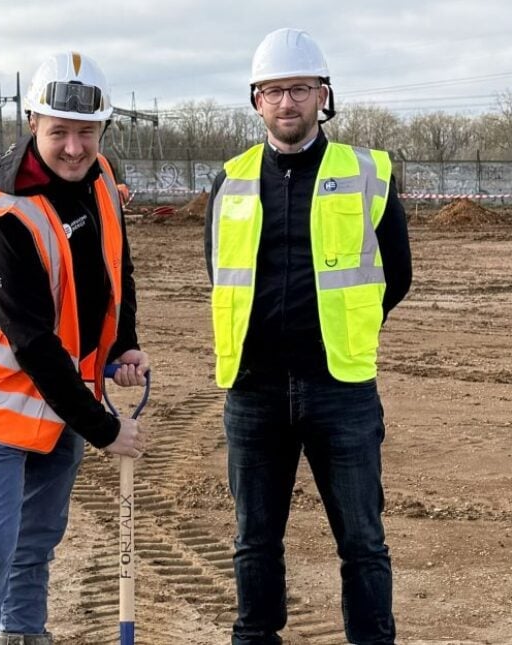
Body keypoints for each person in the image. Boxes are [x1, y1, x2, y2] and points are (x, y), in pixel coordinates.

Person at [205, 28, 411, 645]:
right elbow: (220, 273)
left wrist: (345, 329)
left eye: (299, 89)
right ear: (256, 101)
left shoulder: (368, 173)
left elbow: (393, 276)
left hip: (340, 387)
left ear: (323, 96)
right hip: (253, 391)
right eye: (273, 91)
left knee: (363, 543)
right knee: (254, 543)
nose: (287, 103)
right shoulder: (229, 181)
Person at [0, 51, 149, 645]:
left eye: (86, 132)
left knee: (35, 542)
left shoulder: (102, 176)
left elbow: (116, 266)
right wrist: (105, 429)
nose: (75, 148)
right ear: (33, 123)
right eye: (60, 132)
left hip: (60, 402)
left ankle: (24, 635)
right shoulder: (4, 218)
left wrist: (123, 343)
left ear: (103, 128)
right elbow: (32, 342)